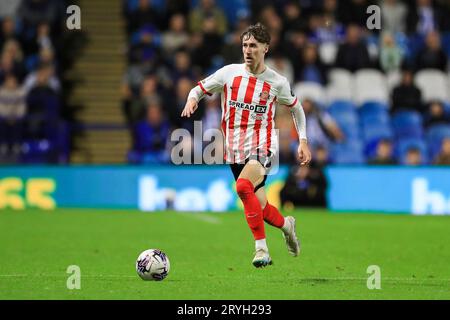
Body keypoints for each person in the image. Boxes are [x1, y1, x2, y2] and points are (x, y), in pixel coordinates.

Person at [181, 23, 311, 268]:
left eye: (253, 46)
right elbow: (197, 89)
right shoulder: (229, 73)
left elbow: (297, 108)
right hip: (235, 150)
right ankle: (287, 225)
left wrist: (303, 140)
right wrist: (191, 100)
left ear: (265, 48)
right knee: (260, 208)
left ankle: (261, 249)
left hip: (263, 146)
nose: (248, 50)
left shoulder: (277, 82)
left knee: (242, 187)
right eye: (245, 45)